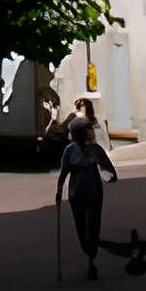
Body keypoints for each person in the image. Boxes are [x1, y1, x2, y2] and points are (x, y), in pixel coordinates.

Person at [55, 117, 118, 279]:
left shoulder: (95, 150)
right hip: (77, 193)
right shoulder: (70, 151)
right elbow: (64, 171)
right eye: (85, 130)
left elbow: (109, 170)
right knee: (81, 226)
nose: (89, 133)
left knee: (93, 225)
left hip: (94, 191)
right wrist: (59, 188)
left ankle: (91, 259)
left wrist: (109, 175)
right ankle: (88, 250)